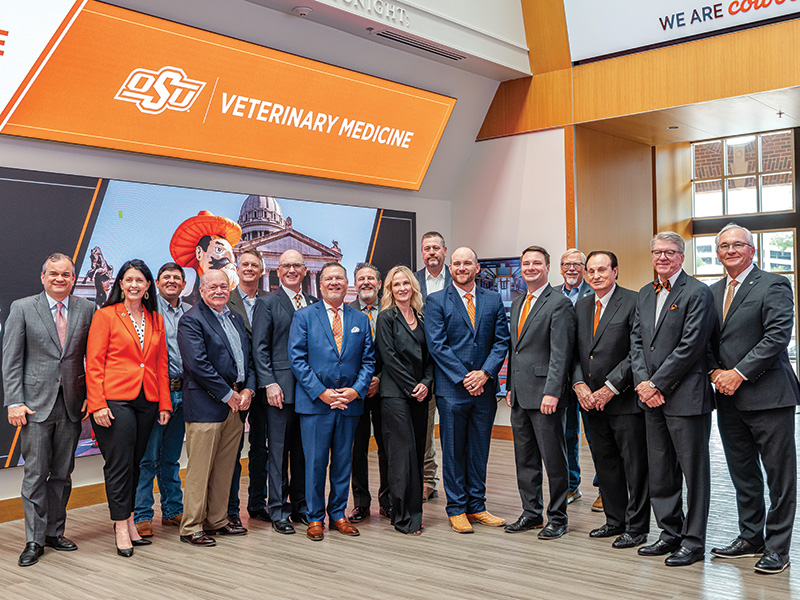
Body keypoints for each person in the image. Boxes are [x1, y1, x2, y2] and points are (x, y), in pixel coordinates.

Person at [707, 223, 799, 574]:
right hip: (727, 398)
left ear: (752, 250)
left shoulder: (773, 284)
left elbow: (777, 336)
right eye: (724, 246)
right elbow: (705, 341)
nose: (730, 250)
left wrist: (738, 373)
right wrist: (715, 372)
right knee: (743, 473)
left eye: (738, 245)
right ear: (717, 253)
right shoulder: (712, 292)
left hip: (769, 395)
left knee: (779, 477)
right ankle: (750, 538)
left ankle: (778, 548)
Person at [3, 253, 94, 567]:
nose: (60, 279)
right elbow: (11, 360)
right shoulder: (22, 308)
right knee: (35, 475)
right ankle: (34, 540)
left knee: (62, 474)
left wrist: (91, 396)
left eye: (66, 274)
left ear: (73, 278)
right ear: (43, 277)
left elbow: (92, 358)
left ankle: (55, 533)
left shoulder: (87, 309)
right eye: (53, 273)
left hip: (71, 405)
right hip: (33, 407)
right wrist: (14, 402)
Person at [631, 231, 715, 567]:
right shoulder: (644, 293)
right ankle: (669, 533)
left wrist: (657, 384)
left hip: (685, 396)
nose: (662, 258)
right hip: (650, 397)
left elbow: (691, 345)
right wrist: (643, 383)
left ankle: (693, 542)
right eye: (657, 252)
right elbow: (636, 342)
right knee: (661, 470)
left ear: (681, 256)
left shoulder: (697, 292)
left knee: (694, 473)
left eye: (669, 252)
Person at [86, 259, 172, 557]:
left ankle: (131, 521)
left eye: (140, 280)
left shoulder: (156, 319)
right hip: (114, 400)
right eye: (129, 279)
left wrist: (164, 403)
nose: (134, 284)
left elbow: (161, 364)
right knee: (120, 465)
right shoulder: (105, 315)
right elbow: (94, 363)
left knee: (136, 463)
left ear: (148, 286)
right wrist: (97, 403)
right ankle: (120, 526)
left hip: (147, 400)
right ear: (120, 284)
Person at [288, 262, 375, 541]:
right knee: (314, 463)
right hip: (316, 405)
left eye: (339, 278)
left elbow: (368, 361)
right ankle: (315, 517)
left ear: (347, 283)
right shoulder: (304, 316)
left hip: (349, 404)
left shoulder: (360, 319)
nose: (334, 283)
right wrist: (322, 393)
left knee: (342, 463)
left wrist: (355, 391)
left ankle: (338, 514)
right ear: (320, 283)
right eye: (329, 279)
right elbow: (297, 360)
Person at [425, 247, 509, 534]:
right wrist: (465, 378)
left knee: (479, 450)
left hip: (485, 389)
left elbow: (501, 342)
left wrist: (484, 374)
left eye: (467, 263)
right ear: (451, 268)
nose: (462, 267)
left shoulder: (493, 299)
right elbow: (437, 346)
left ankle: (477, 506)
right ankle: (456, 509)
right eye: (457, 263)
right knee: (453, 451)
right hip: (452, 390)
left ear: (477, 267)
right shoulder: (436, 300)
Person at [572, 251, 649, 549]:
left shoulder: (634, 301)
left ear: (615, 271)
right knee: (605, 465)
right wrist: (579, 384)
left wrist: (609, 387)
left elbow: (636, 352)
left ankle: (637, 527)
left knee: (634, 467)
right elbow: (574, 352)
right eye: (591, 271)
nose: (596, 276)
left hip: (623, 400)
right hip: (590, 403)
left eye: (602, 270)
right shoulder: (581, 306)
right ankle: (614, 521)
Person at [177, 269, 255, 546]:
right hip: (207, 405)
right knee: (200, 470)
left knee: (224, 469)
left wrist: (248, 389)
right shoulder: (191, 320)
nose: (219, 291)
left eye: (223, 286)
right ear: (201, 290)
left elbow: (248, 358)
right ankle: (191, 527)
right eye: (212, 287)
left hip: (235, 405)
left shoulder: (235, 317)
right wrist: (226, 394)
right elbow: (198, 364)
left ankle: (217, 520)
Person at [504, 245, 575, 540]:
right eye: (526, 263)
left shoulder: (559, 303)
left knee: (554, 460)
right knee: (525, 459)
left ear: (547, 267)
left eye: (536, 263)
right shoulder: (518, 302)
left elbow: (561, 353)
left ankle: (558, 517)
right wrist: (509, 386)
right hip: (520, 395)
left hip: (546, 395)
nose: (530, 267)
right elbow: (515, 350)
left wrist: (553, 391)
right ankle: (531, 513)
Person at [251, 249, 315, 534]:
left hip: (310, 391)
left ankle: (301, 506)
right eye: (286, 265)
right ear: (278, 271)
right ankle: (278, 510)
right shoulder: (267, 303)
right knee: (277, 453)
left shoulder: (314, 302)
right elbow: (260, 348)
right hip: (280, 391)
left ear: (304, 270)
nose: (291, 270)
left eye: (296, 265)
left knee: (303, 452)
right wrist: (269, 383)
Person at [375, 266, 434, 535]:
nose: (402, 288)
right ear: (390, 289)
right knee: (402, 456)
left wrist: (426, 383)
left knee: (417, 453)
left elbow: (431, 356)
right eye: (396, 284)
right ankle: (401, 517)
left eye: (405, 283)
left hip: (420, 394)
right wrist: (412, 387)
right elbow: (388, 358)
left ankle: (415, 514)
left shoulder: (422, 317)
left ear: (413, 287)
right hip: (396, 395)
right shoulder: (386, 318)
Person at [134, 263, 191, 538]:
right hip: (155, 392)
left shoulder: (191, 312)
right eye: (166, 277)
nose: (171, 281)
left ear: (184, 284)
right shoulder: (147, 312)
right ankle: (142, 515)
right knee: (147, 458)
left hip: (185, 392)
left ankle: (172, 510)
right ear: (156, 283)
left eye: (176, 278)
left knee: (171, 457)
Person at [225, 249, 269, 526]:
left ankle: (258, 503)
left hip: (265, 386)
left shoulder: (270, 300)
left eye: (255, 265)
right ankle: (230, 509)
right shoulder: (224, 299)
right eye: (245, 265)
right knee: (232, 450)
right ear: (237, 269)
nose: (250, 269)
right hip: (236, 388)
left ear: (262, 270)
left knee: (261, 448)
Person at [348, 263, 390, 523]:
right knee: (357, 449)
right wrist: (362, 384)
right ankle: (361, 503)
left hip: (387, 389)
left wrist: (379, 379)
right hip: (356, 391)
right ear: (355, 284)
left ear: (379, 283)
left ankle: (387, 501)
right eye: (361, 279)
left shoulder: (391, 309)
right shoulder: (347, 312)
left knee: (387, 448)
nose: (366, 282)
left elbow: (398, 353)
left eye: (371, 278)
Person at [557, 248, 597, 509]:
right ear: (560, 268)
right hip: (562, 377)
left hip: (590, 377)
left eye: (576, 264)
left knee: (596, 435)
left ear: (584, 268)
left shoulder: (595, 293)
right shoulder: (553, 294)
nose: (571, 269)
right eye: (566, 264)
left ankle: (605, 487)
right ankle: (572, 485)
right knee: (567, 433)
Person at [414, 231, 451, 502]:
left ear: (444, 251)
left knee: (452, 430)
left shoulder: (457, 278)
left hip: (452, 368)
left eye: (436, 248)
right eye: (427, 248)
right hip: (422, 367)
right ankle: (428, 480)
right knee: (424, 429)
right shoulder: (412, 281)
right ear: (422, 252)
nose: (431, 253)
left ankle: (457, 485)